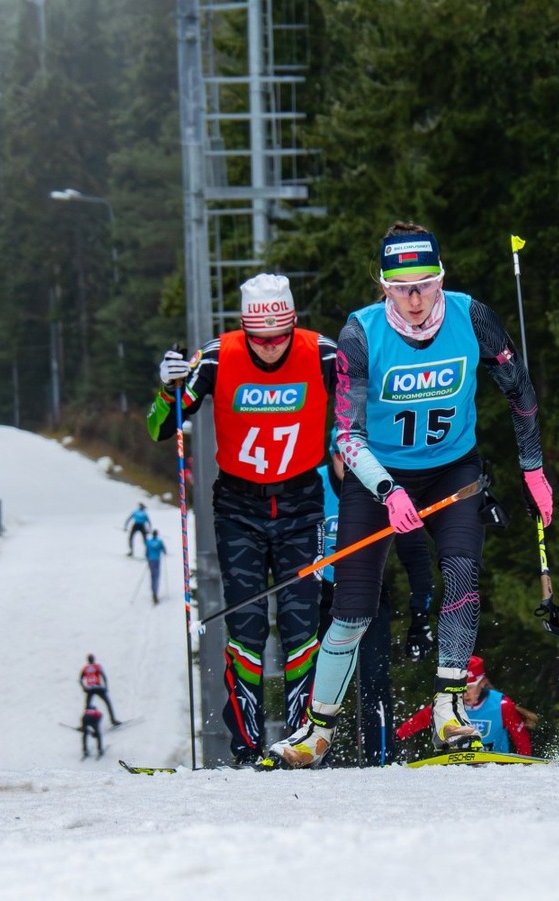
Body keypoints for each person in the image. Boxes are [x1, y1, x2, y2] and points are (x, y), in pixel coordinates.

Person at [264, 221, 552, 769]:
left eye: (424, 284)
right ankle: (316, 731)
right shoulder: (360, 334)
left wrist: (533, 470)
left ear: (440, 278)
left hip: (453, 471)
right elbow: (346, 434)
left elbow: (521, 391)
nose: (415, 300)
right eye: (401, 287)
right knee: (351, 609)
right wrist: (388, 489)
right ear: (384, 286)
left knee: (462, 572)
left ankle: (448, 705)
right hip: (379, 476)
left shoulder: (472, 317)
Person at [149, 273, 337, 766]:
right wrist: (169, 387)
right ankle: (246, 747)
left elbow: (363, 405)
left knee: (301, 626)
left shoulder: (321, 353)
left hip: (301, 503)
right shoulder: (216, 356)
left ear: (293, 326)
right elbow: (159, 428)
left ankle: (304, 740)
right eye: (261, 339)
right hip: (238, 506)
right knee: (247, 628)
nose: (272, 348)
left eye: (281, 338)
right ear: (245, 330)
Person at [316, 425, 433, 766]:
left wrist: (420, 616)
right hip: (322, 595)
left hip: (368, 596)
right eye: (342, 456)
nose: (349, 465)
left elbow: (416, 554)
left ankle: (380, 759)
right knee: (317, 680)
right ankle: (313, 752)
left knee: (375, 680)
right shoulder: (315, 486)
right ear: (333, 456)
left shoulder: (383, 486)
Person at [396, 655, 535, 755]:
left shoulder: (502, 705)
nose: (465, 694)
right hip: (461, 770)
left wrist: (523, 767)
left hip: (495, 770)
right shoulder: (447, 703)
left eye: (470, 687)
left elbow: (522, 741)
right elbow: (419, 720)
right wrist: (396, 737)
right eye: (461, 689)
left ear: (482, 683)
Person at [80, 653, 121, 726]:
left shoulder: (85, 668)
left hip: (90, 689)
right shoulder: (97, 666)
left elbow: (80, 679)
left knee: (87, 707)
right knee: (108, 703)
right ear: (93, 659)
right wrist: (106, 687)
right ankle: (113, 720)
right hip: (98, 687)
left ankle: (83, 725)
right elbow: (104, 676)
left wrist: (84, 687)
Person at [144, 529, 167, 604]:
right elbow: (164, 550)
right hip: (157, 560)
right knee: (156, 577)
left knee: (152, 576)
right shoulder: (159, 542)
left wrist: (147, 557)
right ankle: (155, 593)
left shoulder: (148, 541)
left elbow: (146, 551)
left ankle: (153, 592)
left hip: (151, 560)